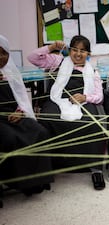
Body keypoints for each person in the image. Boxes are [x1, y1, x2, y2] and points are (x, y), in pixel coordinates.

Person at [27, 35, 106, 190]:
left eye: (83, 51)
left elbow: (100, 97)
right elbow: (32, 58)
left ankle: (95, 169)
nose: (78, 54)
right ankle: (47, 168)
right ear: (69, 50)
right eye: (74, 49)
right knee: (47, 120)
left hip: (83, 100)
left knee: (92, 123)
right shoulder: (57, 61)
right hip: (57, 99)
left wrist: (85, 97)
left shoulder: (93, 71)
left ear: (88, 54)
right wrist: (51, 47)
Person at [0, 34, 53, 196]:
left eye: (4, 53)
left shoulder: (10, 71)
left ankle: (36, 183)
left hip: (15, 115)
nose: (1, 57)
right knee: (10, 138)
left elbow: (22, 97)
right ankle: (19, 182)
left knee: (40, 131)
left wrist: (21, 112)